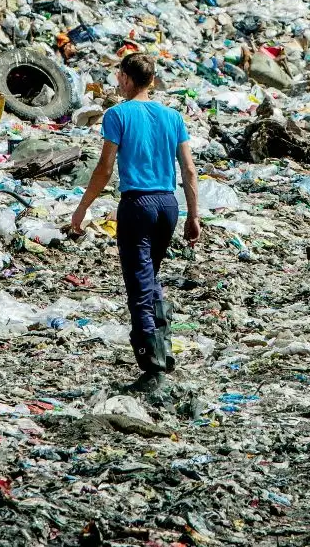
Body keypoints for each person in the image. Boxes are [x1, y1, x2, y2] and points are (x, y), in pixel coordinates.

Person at [71, 53, 200, 392]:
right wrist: (194, 215)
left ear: (127, 79)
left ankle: (152, 367)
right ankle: (164, 347)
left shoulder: (117, 115)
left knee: (140, 286)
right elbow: (188, 170)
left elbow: (104, 169)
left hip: (137, 205)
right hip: (168, 206)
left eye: (119, 76)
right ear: (152, 81)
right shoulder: (173, 117)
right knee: (150, 278)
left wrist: (82, 209)